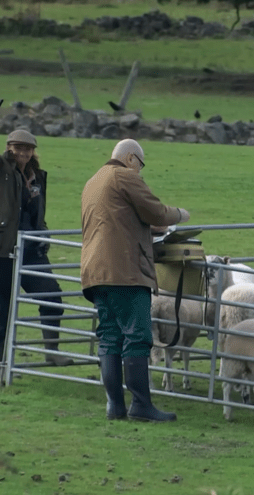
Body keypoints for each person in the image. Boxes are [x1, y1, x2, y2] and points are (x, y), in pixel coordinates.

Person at [80, 138, 191, 422]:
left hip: (96, 272)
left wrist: (148, 229)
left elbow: (120, 222)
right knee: (138, 336)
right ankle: (141, 405)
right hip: (125, 272)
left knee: (109, 337)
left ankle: (114, 406)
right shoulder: (125, 177)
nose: (139, 171)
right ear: (131, 158)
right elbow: (157, 211)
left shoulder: (94, 181)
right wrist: (179, 215)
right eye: (140, 165)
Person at [0, 85, 73, 378]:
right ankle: (0, 363)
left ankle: (52, 353)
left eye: (28, 149)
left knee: (52, 297)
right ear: (9, 148)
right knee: (0, 307)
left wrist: (43, 235)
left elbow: (36, 212)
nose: (23, 153)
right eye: (18, 148)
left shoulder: (37, 177)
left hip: (30, 250)